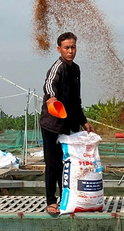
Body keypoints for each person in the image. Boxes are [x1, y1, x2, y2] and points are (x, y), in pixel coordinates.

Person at [40, 32, 94, 215]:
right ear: (59, 49)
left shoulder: (76, 69)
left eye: (73, 47)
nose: (70, 51)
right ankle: (50, 201)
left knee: (68, 163)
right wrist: (51, 98)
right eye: (66, 48)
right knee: (53, 163)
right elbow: (48, 85)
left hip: (68, 124)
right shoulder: (58, 68)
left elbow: (75, 100)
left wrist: (84, 122)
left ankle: (67, 198)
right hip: (52, 124)